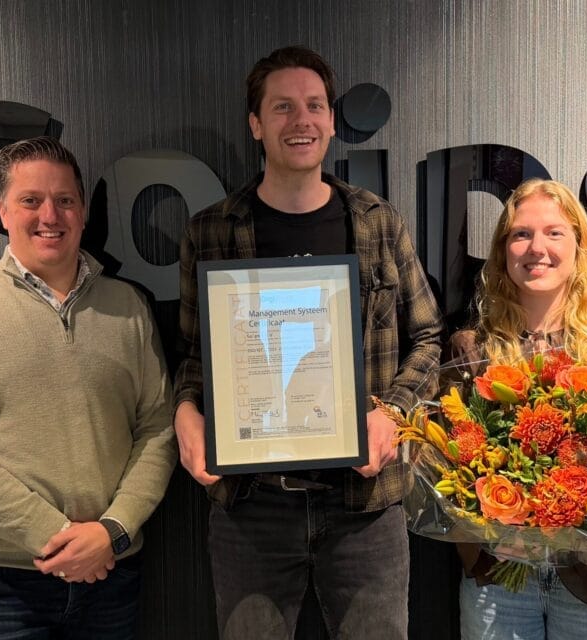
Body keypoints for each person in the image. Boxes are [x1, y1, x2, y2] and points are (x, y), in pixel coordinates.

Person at [173, 46, 443, 639]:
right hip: (252, 505)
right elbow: (194, 357)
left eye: (315, 105)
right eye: (283, 107)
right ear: (256, 124)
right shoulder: (211, 231)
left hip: (364, 505)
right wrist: (186, 414)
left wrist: (393, 414)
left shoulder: (377, 222)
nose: (302, 120)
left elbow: (427, 338)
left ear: (331, 120)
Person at [0, 136, 177, 638]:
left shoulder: (128, 307)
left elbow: (158, 429)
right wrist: (60, 538)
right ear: (3, 210)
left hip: (111, 577)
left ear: (83, 212)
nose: (50, 215)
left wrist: (112, 531)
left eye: (64, 200)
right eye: (31, 200)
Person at [452, 178, 587, 640]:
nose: (536, 248)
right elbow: (449, 466)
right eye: (521, 234)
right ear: (503, 250)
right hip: (500, 577)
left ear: (580, 248)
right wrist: (491, 538)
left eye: (554, 233)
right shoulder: (472, 349)